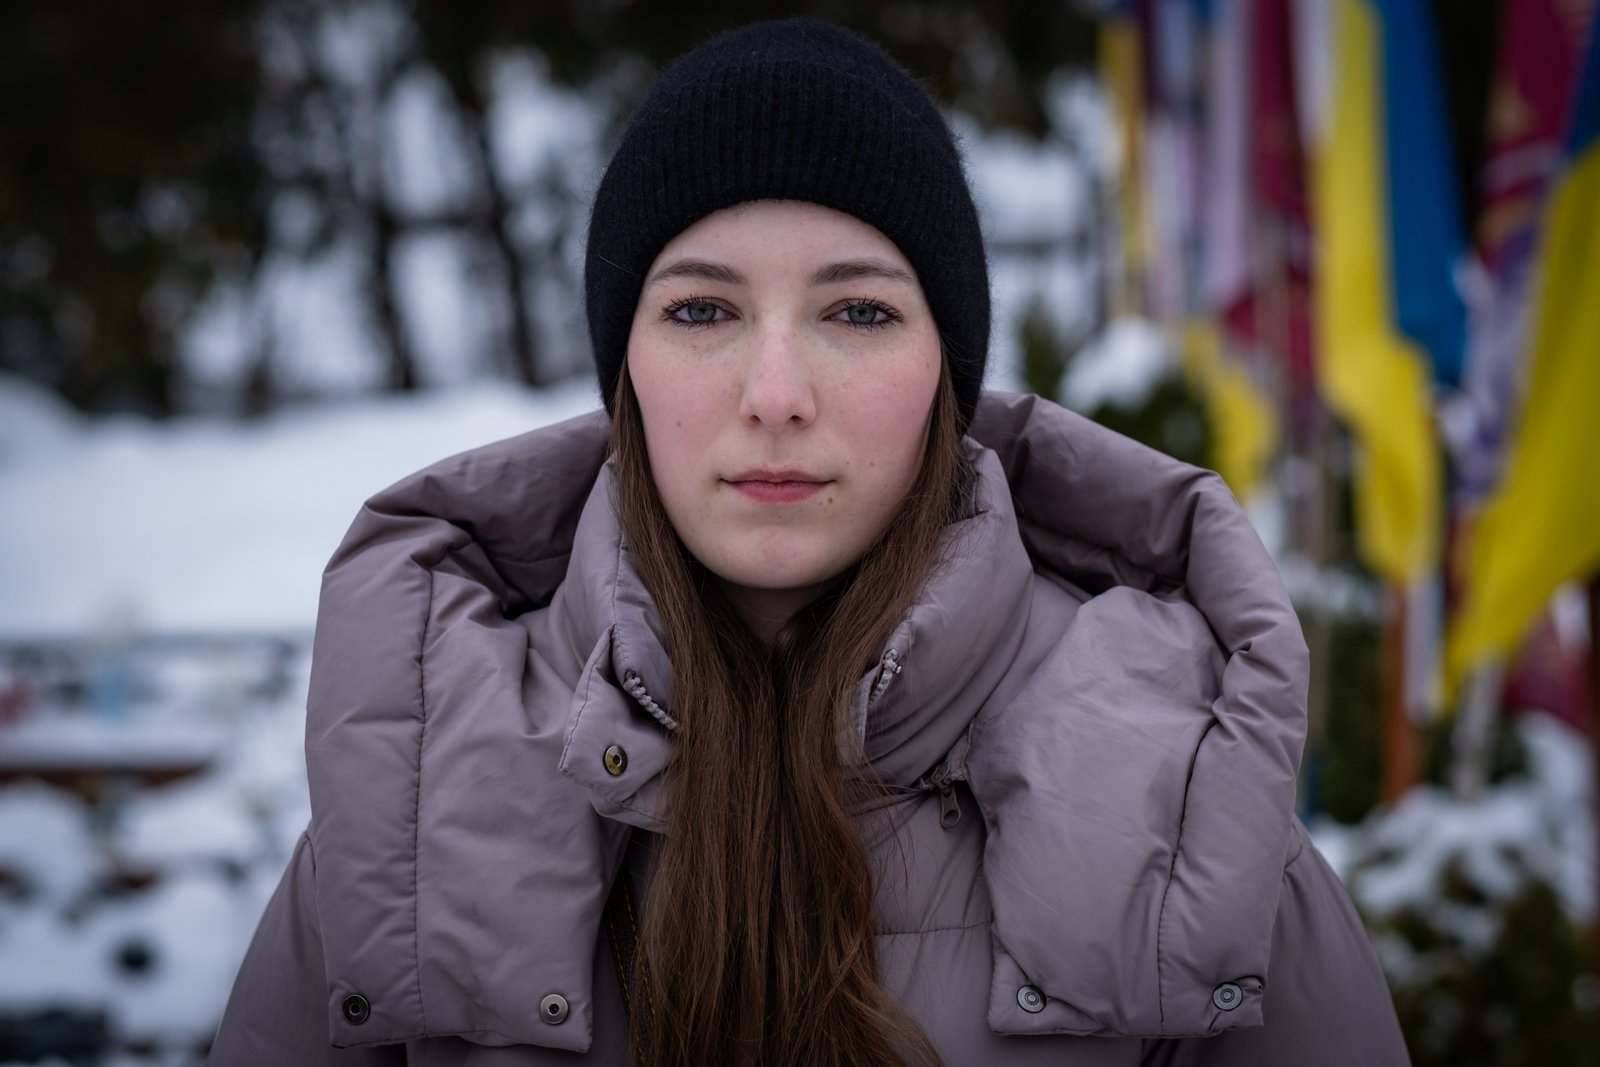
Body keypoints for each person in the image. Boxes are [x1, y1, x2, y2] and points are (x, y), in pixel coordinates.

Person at [208, 17, 1409, 1067]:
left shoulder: (1179, 797)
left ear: (950, 369)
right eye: (700, 309)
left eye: (857, 310)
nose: (775, 391)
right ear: (621, 366)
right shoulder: (417, 806)